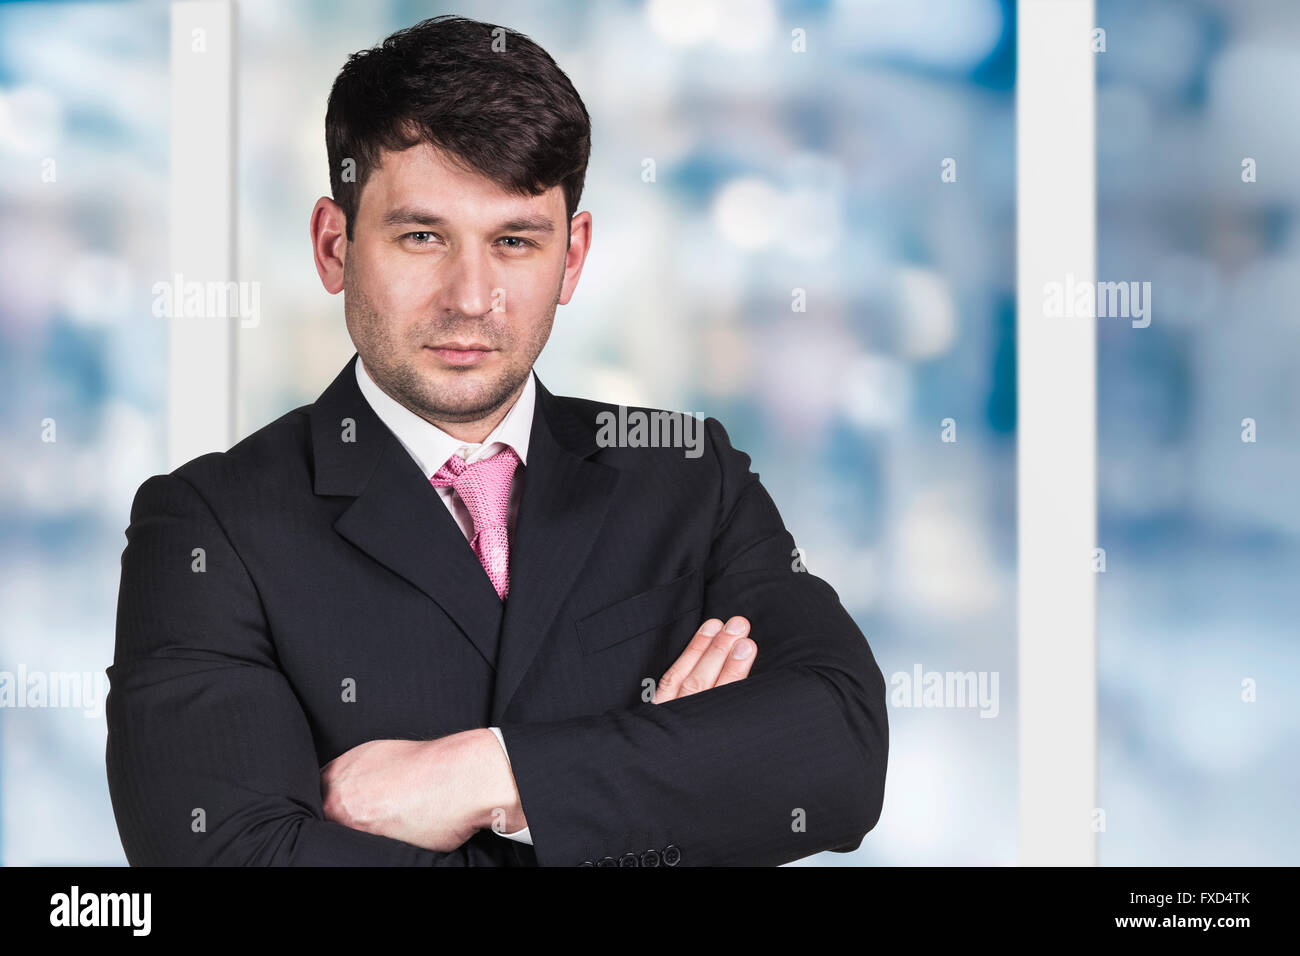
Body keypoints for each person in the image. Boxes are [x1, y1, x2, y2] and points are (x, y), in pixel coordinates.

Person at [106, 14, 888, 866]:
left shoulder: (689, 474)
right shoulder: (208, 528)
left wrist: (487, 773)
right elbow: (229, 858)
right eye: (422, 237)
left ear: (574, 256)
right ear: (335, 246)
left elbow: (838, 750)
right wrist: (665, 775)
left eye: (514, 242)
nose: (471, 297)